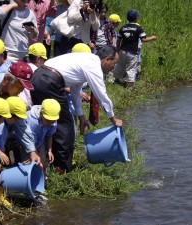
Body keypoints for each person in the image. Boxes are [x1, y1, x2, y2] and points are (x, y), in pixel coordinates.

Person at [30, 45, 123, 173]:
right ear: (106, 59)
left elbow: (75, 92)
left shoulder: (86, 61)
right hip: (49, 81)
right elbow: (101, 95)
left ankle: (44, 162)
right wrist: (113, 119)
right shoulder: (94, 66)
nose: (114, 67)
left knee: (45, 121)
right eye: (115, 63)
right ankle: (62, 168)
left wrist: (81, 117)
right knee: (65, 126)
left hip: (39, 78)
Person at [0, 96, 27, 208]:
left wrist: (2, 150)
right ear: (8, 115)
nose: (17, 121)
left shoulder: (3, 125)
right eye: (16, 118)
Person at [113, 9, 156, 88]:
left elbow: (118, 39)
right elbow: (143, 39)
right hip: (132, 52)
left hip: (122, 51)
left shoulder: (123, 27)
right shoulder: (138, 28)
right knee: (131, 68)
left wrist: (118, 49)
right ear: (136, 18)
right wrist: (152, 38)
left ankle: (116, 80)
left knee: (120, 65)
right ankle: (130, 86)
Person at [25, 99, 61, 176]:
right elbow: (30, 141)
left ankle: (43, 177)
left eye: (53, 121)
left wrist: (49, 150)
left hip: (39, 142)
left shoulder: (53, 121)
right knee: (29, 161)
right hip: (27, 143)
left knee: (43, 160)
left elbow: (49, 135)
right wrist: (36, 155)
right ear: (41, 113)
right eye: (48, 120)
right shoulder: (33, 122)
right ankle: (29, 180)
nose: (50, 123)